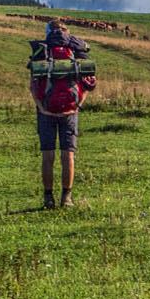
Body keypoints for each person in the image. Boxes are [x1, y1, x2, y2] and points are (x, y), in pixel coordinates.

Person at [26, 20, 97, 209]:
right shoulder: (77, 51)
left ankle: (48, 198)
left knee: (47, 154)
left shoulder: (42, 50)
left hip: (46, 111)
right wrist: (79, 104)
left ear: (48, 31)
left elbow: (33, 83)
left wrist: (40, 106)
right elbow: (90, 83)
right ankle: (67, 198)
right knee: (68, 155)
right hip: (70, 111)